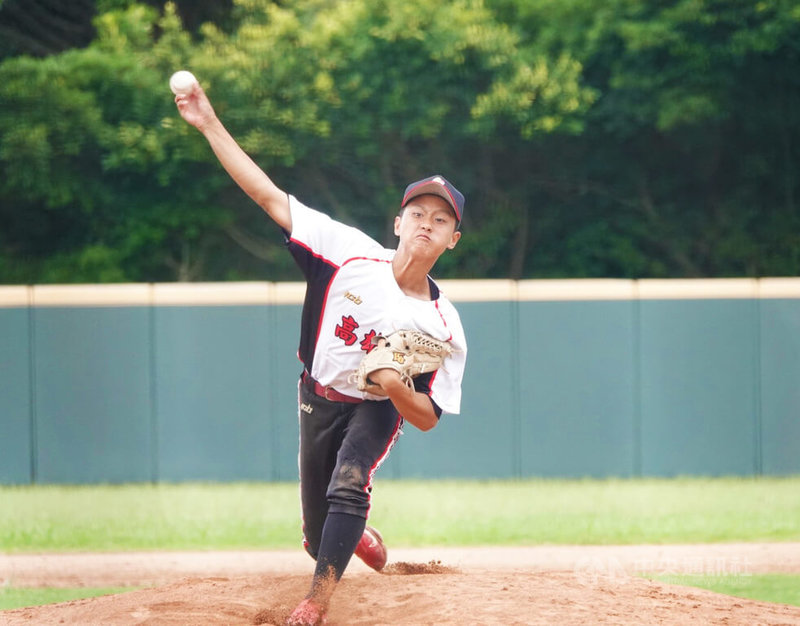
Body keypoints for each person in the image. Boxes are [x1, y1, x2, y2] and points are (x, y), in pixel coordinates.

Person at [174, 79, 467, 626]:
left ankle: (316, 602)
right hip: (318, 393)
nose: (427, 223)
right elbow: (266, 195)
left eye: (441, 219)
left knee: (350, 480)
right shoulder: (346, 253)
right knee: (317, 535)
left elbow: (427, 418)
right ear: (398, 223)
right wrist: (208, 123)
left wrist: (397, 385)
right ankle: (350, 539)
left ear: (453, 238)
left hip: (377, 403)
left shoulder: (443, 323)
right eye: (418, 213)